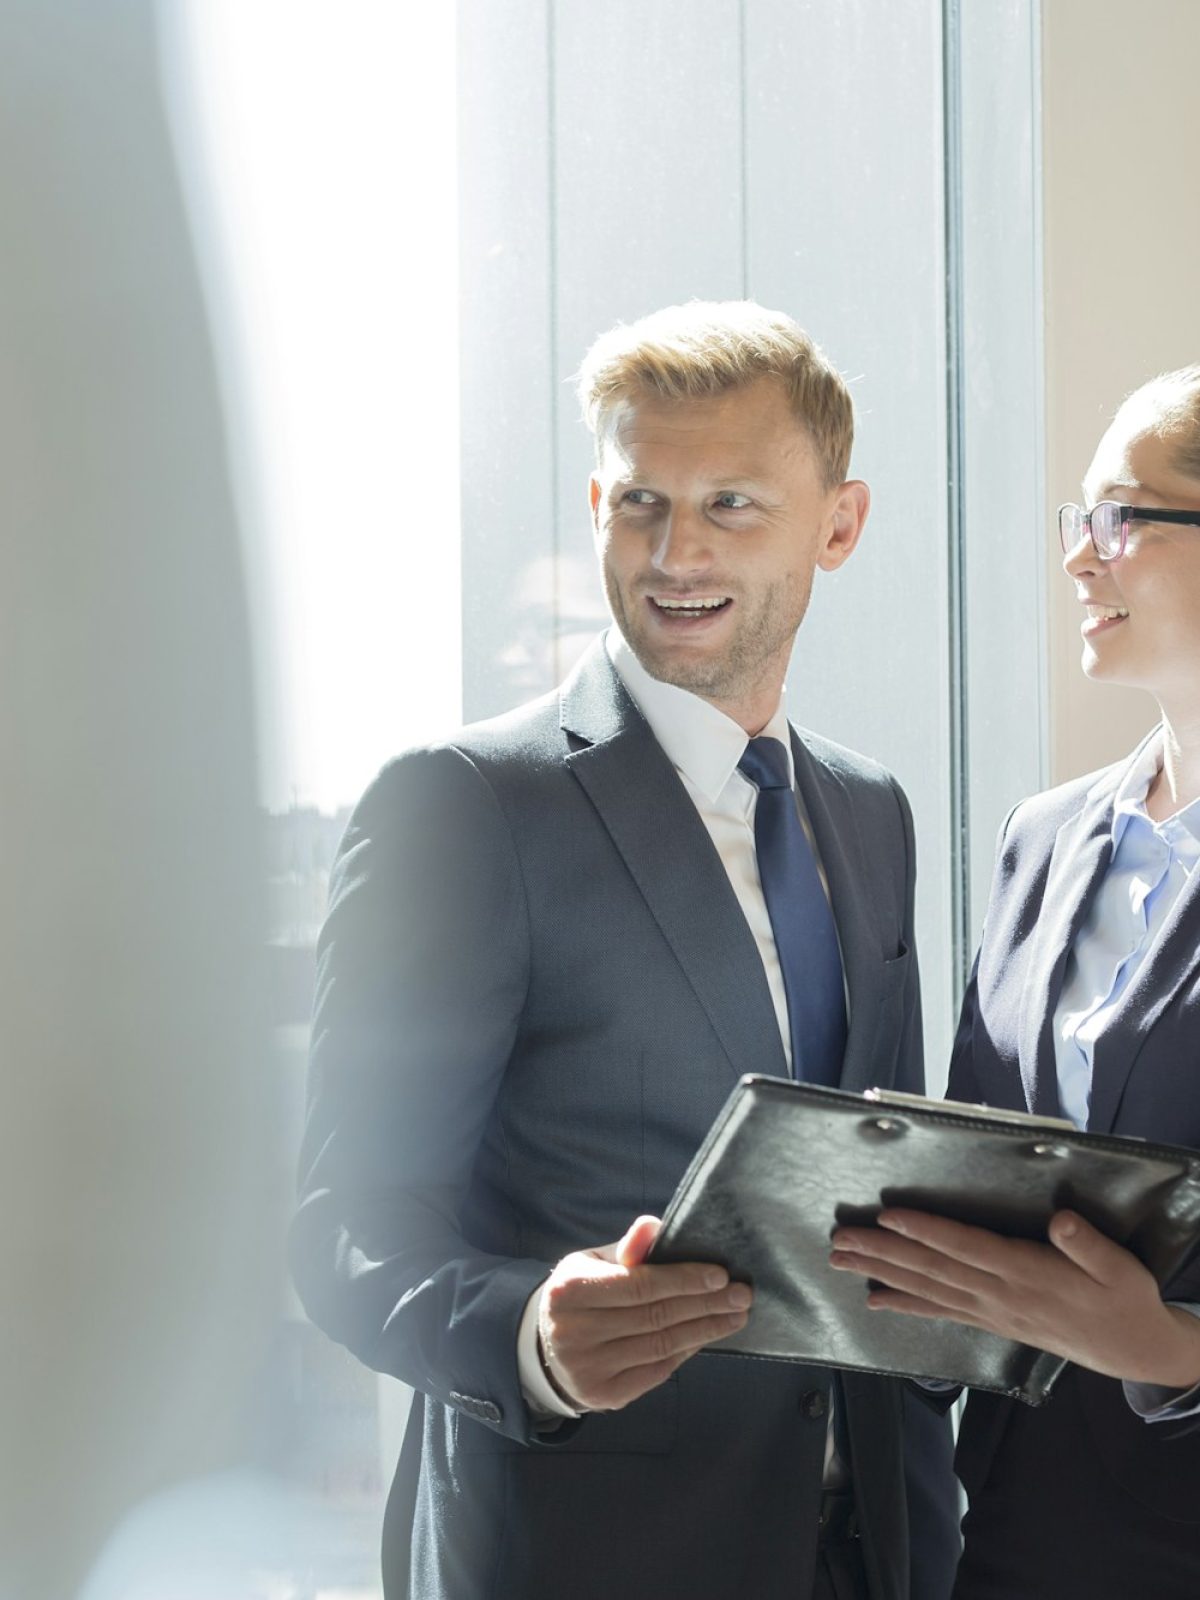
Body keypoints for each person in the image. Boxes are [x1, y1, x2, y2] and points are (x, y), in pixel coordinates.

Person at [291, 301, 959, 1600]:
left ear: (841, 522)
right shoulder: (465, 806)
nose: (675, 550)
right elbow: (348, 1230)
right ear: (597, 499)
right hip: (581, 1552)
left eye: (731, 505)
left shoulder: (870, 810)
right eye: (640, 502)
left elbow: (875, 1176)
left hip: (871, 1547)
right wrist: (536, 1336)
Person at [828, 366, 1200, 1598]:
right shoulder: (1043, 837)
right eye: (1073, 521)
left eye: (1121, 517)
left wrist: (1165, 1350)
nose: (1079, 560)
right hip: (1027, 1535)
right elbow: (982, 1170)